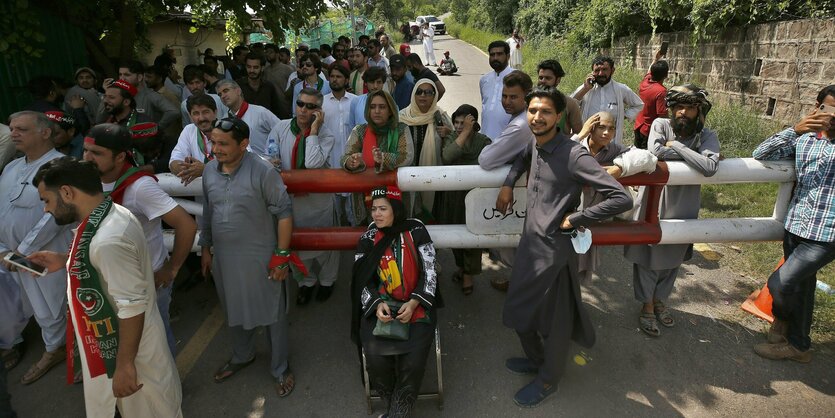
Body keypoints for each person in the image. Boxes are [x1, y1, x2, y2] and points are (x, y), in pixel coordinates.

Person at [497, 87, 631, 407]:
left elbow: (621, 197)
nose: (537, 117)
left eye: (545, 112)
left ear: (559, 117)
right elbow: (521, 157)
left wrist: (577, 218)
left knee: (554, 321)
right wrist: (507, 184)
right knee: (518, 310)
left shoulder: (573, 154)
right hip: (531, 244)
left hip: (555, 251)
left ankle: (548, 380)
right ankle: (536, 359)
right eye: (532, 111)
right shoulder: (535, 141)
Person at [30, 157, 182, 417]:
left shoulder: (107, 240)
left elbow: (131, 306)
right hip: (121, 347)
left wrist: (123, 366)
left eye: (46, 200)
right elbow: (107, 267)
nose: (45, 209)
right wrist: (65, 261)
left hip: (134, 359)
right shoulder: (107, 213)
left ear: (67, 192)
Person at [200, 116, 299, 397]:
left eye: (223, 144)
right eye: (213, 142)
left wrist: (281, 256)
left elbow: (284, 213)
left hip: (261, 257)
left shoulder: (263, 171)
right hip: (225, 259)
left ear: (244, 144)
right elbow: (208, 211)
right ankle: (242, 355)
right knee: (233, 308)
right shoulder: (209, 171)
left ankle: (280, 367)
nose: (215, 149)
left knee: (272, 313)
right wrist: (205, 247)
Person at [82, 123, 197, 355]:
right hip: (111, 279)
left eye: (96, 153)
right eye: (85, 150)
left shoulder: (139, 187)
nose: (87, 157)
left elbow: (186, 224)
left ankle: (169, 389)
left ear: (120, 156)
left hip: (147, 282)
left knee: (156, 343)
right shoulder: (88, 180)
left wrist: (172, 269)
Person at [624, 84, 720, 337]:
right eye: (678, 107)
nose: (683, 113)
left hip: (685, 202)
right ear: (672, 109)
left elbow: (709, 166)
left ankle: (660, 300)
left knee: (674, 255)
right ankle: (646, 304)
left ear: (699, 112)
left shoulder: (708, 135)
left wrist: (677, 147)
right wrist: (691, 155)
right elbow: (655, 153)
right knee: (648, 254)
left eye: (689, 108)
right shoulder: (660, 125)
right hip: (655, 198)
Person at [751, 84, 835, 363]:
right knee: (802, 286)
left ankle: (782, 322)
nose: (832, 117)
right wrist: (795, 129)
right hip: (797, 224)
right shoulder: (806, 139)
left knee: (781, 283)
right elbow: (761, 152)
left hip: (827, 234)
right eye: (829, 109)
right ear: (818, 107)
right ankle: (799, 345)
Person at [350, 185, 439, 418]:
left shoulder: (416, 231)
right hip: (382, 307)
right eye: (373, 209)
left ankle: (396, 414)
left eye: (382, 209)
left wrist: (414, 303)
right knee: (376, 359)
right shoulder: (368, 238)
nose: (376, 214)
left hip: (415, 305)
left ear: (396, 209)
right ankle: (396, 409)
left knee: (413, 362)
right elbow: (360, 280)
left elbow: (430, 272)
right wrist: (377, 303)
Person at [0, 111, 73, 385]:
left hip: (44, 251)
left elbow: (55, 216)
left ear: (45, 132)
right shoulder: (11, 167)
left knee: (50, 303)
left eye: (21, 128)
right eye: (11, 128)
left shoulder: (62, 165)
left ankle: (55, 350)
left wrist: (22, 249)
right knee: (23, 301)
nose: (14, 133)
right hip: (9, 253)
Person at [268, 88, 338, 304]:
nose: (303, 110)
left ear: (319, 111)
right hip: (290, 201)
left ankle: (327, 282)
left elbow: (312, 164)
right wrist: (270, 161)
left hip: (318, 201)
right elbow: (270, 154)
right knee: (296, 244)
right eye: (300, 104)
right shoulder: (280, 128)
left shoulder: (326, 134)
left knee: (326, 247)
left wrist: (314, 130)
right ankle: (306, 283)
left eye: (310, 107)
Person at [572, 112, 657, 280]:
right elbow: (555, 156)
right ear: (590, 128)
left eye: (611, 129)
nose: (606, 133)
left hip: (593, 216)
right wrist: (580, 134)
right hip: (570, 212)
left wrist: (619, 168)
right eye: (601, 127)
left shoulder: (613, 150)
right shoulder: (575, 146)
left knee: (582, 266)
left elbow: (649, 158)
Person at [434, 105, 491, 295]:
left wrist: (468, 132)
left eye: (464, 123)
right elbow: (448, 156)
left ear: (474, 123)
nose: (459, 126)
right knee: (455, 233)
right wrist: (464, 133)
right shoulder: (451, 138)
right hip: (453, 196)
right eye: (457, 122)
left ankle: (469, 275)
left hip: (475, 197)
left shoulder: (483, 141)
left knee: (472, 236)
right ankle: (462, 267)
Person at [342, 91, 414, 225]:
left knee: (396, 231)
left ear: (390, 110)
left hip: (397, 196)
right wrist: (351, 162)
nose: (376, 111)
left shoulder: (401, 129)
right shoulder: (360, 130)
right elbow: (346, 156)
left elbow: (406, 156)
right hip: (365, 198)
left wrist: (383, 158)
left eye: (382, 107)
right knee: (369, 235)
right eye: (373, 106)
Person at [399, 79, 453, 218]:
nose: (423, 95)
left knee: (431, 216)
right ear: (414, 94)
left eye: (428, 92)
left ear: (434, 96)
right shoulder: (402, 117)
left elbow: (454, 144)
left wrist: (448, 134)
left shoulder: (441, 118)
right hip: (407, 177)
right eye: (419, 92)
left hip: (434, 178)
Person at [571, 56, 643, 145]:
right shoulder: (586, 88)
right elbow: (570, 105)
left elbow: (639, 105)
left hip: (610, 142)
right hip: (587, 141)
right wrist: (585, 89)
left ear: (612, 71)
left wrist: (624, 115)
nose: (601, 73)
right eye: (597, 70)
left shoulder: (621, 89)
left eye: (605, 69)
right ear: (592, 72)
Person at [478, 70, 535, 170]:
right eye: (504, 96)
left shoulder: (519, 125)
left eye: (513, 97)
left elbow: (485, 160)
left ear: (527, 96)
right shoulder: (527, 116)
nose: (507, 102)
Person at [216, 79, 280, 156]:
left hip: (266, 165)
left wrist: (274, 156)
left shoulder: (260, 112)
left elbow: (282, 132)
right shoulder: (224, 121)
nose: (223, 96)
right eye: (220, 94)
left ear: (238, 91)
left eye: (226, 91)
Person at [170, 93, 217, 184]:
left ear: (215, 112)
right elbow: (174, 161)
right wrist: (185, 169)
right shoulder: (189, 130)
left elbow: (242, 162)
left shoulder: (229, 129)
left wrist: (205, 169)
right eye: (196, 113)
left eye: (205, 112)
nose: (201, 118)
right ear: (190, 116)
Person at [634, 50, 670, 149]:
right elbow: (662, 115)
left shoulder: (645, 82)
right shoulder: (661, 91)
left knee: (636, 154)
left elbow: (649, 71)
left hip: (638, 125)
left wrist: (656, 59)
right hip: (648, 130)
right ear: (666, 75)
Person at [537, 60, 582, 135]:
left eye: (548, 78)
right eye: (541, 78)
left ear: (558, 80)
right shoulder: (530, 101)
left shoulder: (569, 103)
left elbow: (579, 134)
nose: (543, 81)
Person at [480, 41, 513, 140]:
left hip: (509, 139)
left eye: (499, 54)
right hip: (485, 138)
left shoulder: (517, 77)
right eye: (492, 55)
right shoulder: (484, 80)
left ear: (507, 56)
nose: (495, 58)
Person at [238, 52, 283, 118]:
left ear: (262, 68)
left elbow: (276, 112)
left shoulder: (269, 87)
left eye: (255, 67)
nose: (251, 70)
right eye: (249, 67)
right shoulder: (237, 86)